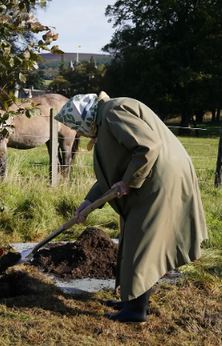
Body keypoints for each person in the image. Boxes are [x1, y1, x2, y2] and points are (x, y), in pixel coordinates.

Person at [55, 92, 208, 323]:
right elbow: (113, 172)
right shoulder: (106, 118)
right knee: (132, 235)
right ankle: (130, 299)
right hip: (150, 181)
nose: (78, 133)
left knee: (141, 241)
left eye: (77, 127)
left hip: (160, 181)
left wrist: (128, 182)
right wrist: (89, 201)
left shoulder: (113, 113)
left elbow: (148, 146)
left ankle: (135, 311)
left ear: (85, 118)